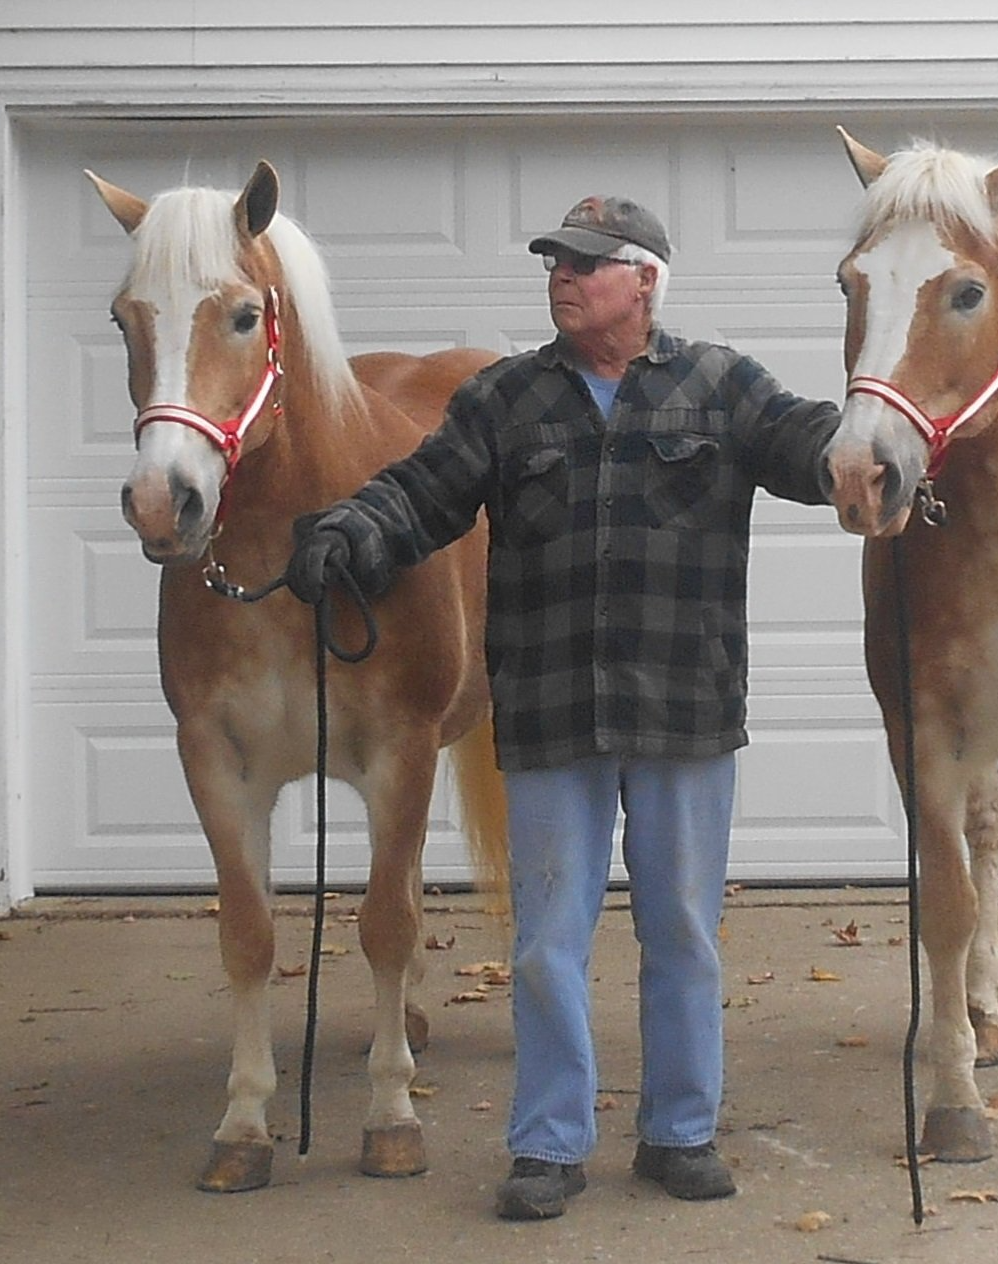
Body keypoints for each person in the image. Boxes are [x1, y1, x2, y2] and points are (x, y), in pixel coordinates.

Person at [284, 195, 841, 1220]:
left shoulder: (722, 386)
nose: (563, 276)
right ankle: (548, 1144)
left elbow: (811, 445)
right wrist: (349, 529)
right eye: (556, 261)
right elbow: (418, 492)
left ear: (645, 281)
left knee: (679, 929)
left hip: (683, 709)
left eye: (587, 263)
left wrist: (875, 449)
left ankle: (680, 1132)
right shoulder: (505, 400)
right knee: (546, 939)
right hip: (544, 714)